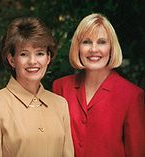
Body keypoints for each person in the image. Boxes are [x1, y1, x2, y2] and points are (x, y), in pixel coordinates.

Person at [0, 17, 74, 157]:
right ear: (11, 59)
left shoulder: (60, 104)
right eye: (24, 54)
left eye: (39, 53)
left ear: (48, 58)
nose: (32, 61)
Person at [53, 13, 145, 157]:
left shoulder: (132, 96)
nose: (93, 49)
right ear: (78, 47)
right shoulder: (60, 88)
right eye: (86, 42)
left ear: (111, 48)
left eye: (102, 42)